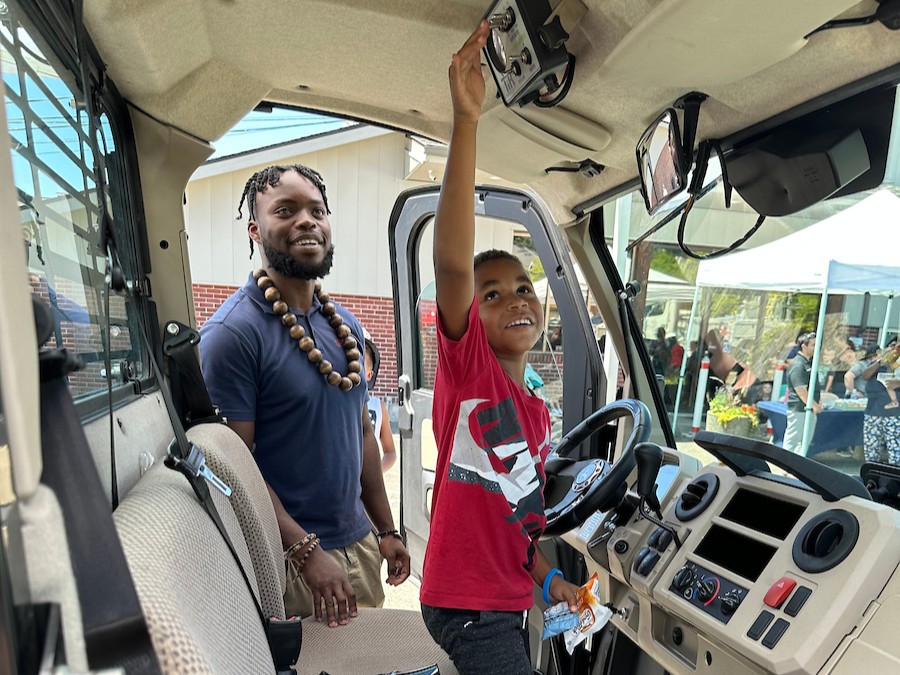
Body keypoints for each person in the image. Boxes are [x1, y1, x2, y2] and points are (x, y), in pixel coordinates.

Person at [419, 23, 580, 674]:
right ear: (468, 315)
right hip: (466, 606)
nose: (515, 297)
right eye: (493, 294)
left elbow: (524, 526)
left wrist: (551, 583)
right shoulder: (469, 371)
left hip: (506, 602)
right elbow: (454, 265)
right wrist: (466, 122)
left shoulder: (535, 414)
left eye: (523, 286)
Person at [199, 163, 410, 628]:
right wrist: (304, 552)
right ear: (255, 228)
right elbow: (234, 467)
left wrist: (386, 529)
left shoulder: (345, 326)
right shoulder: (232, 334)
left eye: (317, 210)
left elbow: (362, 437)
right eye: (286, 210)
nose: (307, 221)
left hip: (359, 549)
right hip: (291, 563)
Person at [861, 344, 900, 464]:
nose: (893, 350)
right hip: (873, 413)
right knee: (871, 452)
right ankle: (872, 478)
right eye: (891, 347)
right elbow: (865, 375)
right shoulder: (878, 364)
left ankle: (895, 480)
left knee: (896, 453)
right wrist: (881, 361)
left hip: (894, 415)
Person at [784, 332, 822, 454]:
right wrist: (814, 406)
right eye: (813, 345)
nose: (817, 347)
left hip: (808, 408)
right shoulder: (798, 365)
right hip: (799, 409)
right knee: (793, 440)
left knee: (804, 441)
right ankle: (785, 466)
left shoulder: (809, 363)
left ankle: (796, 467)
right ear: (804, 347)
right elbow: (801, 391)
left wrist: (818, 402)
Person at [363, 333, 397, 472]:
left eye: (361, 363)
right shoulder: (333, 403)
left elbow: (390, 453)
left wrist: (375, 474)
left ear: (369, 375)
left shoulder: (378, 407)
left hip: (366, 488)